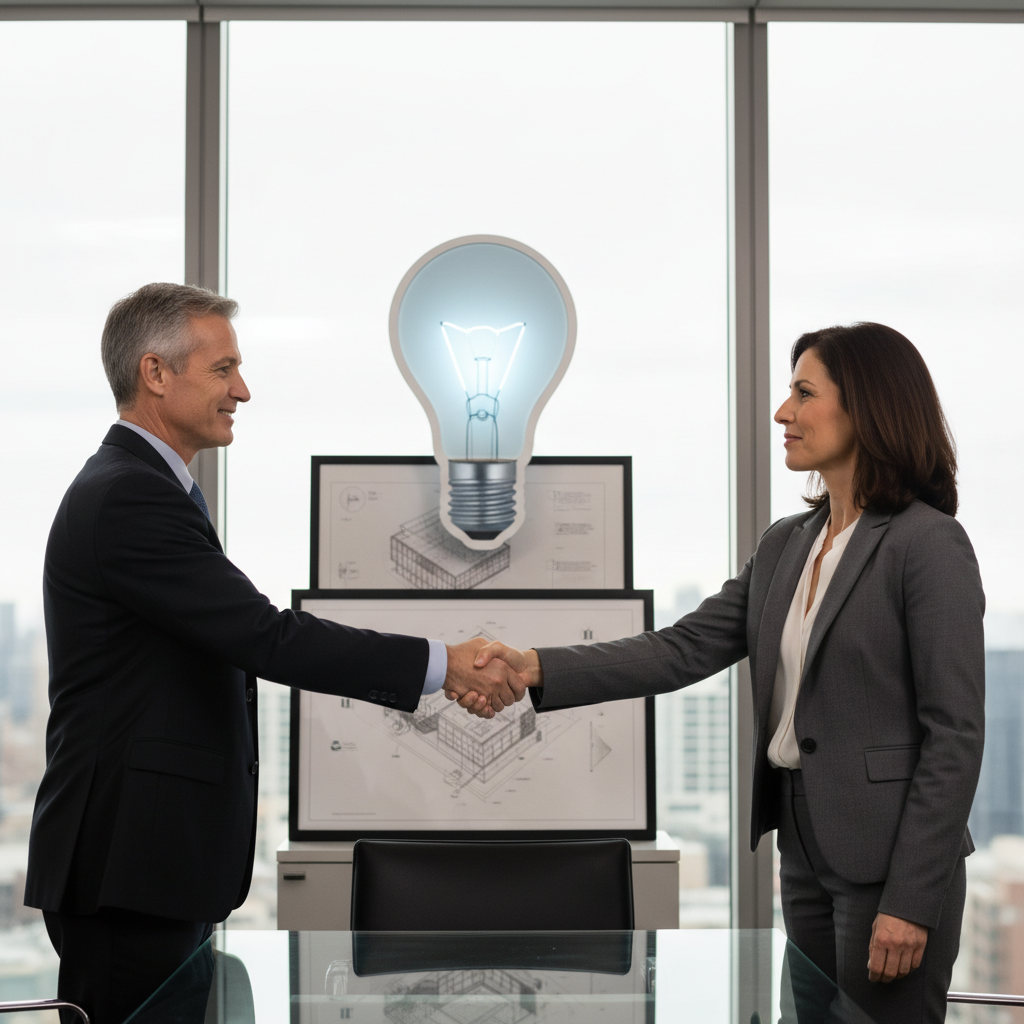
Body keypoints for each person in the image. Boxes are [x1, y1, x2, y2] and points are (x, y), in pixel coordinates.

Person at [454, 323, 984, 1024]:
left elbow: (954, 734)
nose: (782, 413)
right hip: (801, 844)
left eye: (803, 392)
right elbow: (680, 648)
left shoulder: (927, 543)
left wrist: (912, 901)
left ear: (867, 408)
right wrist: (533, 667)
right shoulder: (787, 544)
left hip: (891, 862)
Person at [25, 283, 524, 1024]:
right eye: (224, 369)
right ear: (156, 373)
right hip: (128, 867)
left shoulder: (141, 488)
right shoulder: (129, 496)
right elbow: (263, 636)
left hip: (148, 865)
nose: (243, 391)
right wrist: (442, 663)